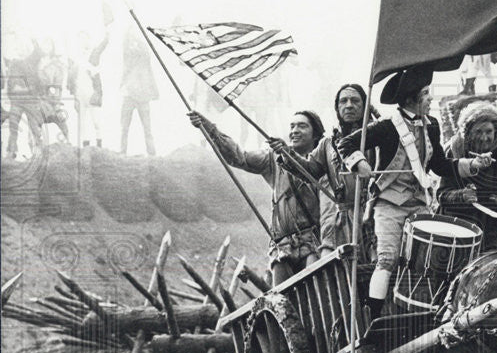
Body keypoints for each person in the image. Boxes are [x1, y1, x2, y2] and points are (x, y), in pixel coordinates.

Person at [338, 67, 493, 319]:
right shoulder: (387, 127)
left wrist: (472, 165)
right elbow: (346, 143)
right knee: (387, 260)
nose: (430, 98)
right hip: (388, 205)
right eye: (425, 94)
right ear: (411, 99)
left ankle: (428, 313)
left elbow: (440, 165)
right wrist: (358, 163)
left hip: (420, 205)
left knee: (428, 264)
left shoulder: (431, 126)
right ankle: (373, 320)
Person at [188, 109, 325, 285]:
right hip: (283, 245)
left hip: (313, 241)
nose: (295, 130)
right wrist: (210, 129)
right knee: (283, 302)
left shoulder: (322, 161)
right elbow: (239, 157)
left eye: (302, 126)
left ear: (315, 135)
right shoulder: (274, 158)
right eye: (292, 126)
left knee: (318, 296)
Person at [437, 101, 497, 251]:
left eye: (488, 132)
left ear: (496, 131)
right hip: (456, 229)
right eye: (478, 132)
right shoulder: (454, 152)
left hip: (494, 234)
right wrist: (461, 196)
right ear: (468, 133)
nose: (484, 138)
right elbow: (441, 195)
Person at [305, 82, 372, 254]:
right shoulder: (328, 143)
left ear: (365, 106)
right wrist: (287, 154)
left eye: (355, 101)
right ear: (337, 107)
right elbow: (309, 171)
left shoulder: (377, 136)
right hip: (340, 221)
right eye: (343, 101)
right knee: (340, 273)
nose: (349, 105)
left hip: (370, 216)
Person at [120, 24, 160, 155]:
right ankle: (122, 152)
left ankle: (152, 153)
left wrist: (138, 38)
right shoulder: (127, 50)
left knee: (147, 127)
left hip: (143, 93)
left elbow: (146, 52)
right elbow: (128, 50)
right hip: (129, 93)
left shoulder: (144, 52)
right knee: (124, 127)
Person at [68, 27, 110, 147]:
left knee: (96, 121)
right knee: (82, 123)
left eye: (85, 38)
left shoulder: (93, 54)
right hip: (79, 93)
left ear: (88, 40)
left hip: (92, 93)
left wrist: (107, 32)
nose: (83, 41)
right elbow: (70, 78)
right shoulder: (74, 59)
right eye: (80, 39)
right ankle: (86, 146)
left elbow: (103, 44)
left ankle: (99, 144)